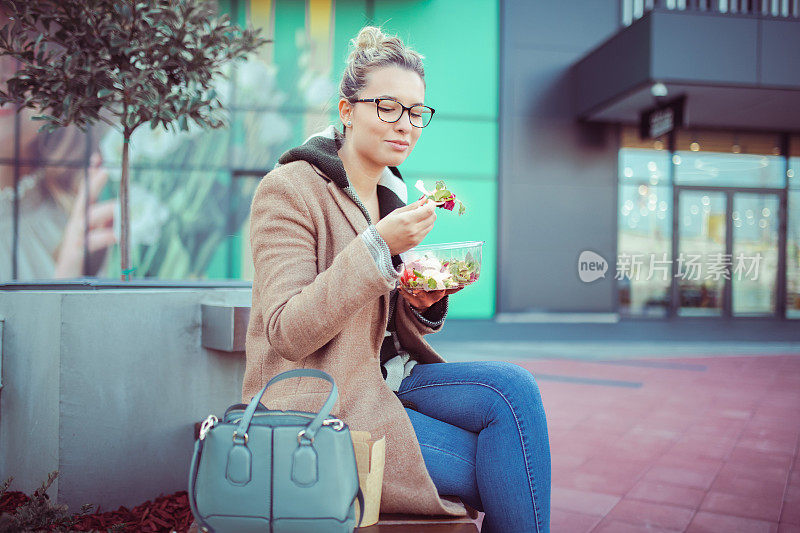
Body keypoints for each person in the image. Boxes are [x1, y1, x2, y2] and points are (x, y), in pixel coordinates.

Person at [242, 25, 551, 532]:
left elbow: (381, 318)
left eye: (416, 112)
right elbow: (286, 331)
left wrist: (424, 302)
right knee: (509, 463)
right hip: (327, 398)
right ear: (347, 111)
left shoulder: (393, 196)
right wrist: (378, 247)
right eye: (387, 107)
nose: (405, 124)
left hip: (391, 378)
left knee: (515, 388)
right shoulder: (290, 190)